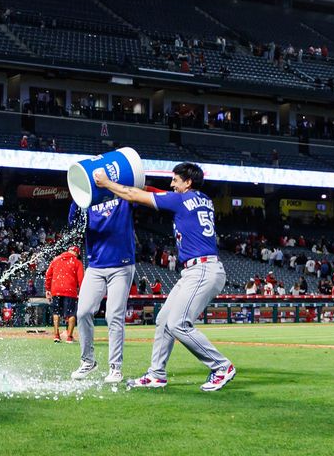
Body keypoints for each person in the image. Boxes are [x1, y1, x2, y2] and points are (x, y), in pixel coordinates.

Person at [93, 162, 236, 392]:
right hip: (196, 270)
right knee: (164, 322)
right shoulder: (204, 199)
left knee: (178, 323)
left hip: (202, 270)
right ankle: (156, 374)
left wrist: (107, 183)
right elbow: (160, 195)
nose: (172, 184)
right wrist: (146, 187)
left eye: (175, 180)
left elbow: (132, 195)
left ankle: (221, 366)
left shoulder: (181, 200)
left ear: (187, 182)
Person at [68, 168, 138, 385]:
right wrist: (78, 198)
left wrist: (110, 183)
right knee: (83, 312)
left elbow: (134, 191)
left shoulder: (120, 192)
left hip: (122, 265)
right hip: (96, 265)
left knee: (113, 316)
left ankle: (115, 367)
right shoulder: (86, 200)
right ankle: (88, 361)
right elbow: (75, 225)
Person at [45, 245, 84, 344]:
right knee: (71, 314)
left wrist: (47, 289)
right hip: (70, 291)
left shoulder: (55, 259)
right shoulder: (77, 262)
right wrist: (82, 291)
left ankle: (56, 336)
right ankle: (69, 337)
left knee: (56, 312)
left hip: (56, 290)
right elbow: (81, 279)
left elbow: (48, 275)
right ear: (76, 253)